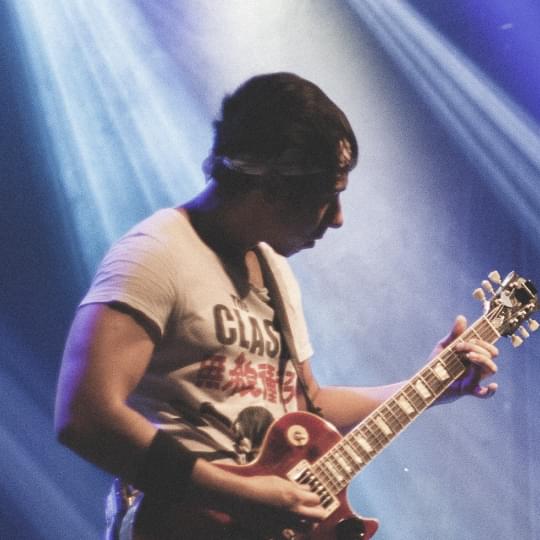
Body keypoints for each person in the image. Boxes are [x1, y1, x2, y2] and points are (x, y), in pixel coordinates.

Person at [55, 73, 499, 540]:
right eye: (327, 197)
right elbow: (85, 416)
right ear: (272, 185)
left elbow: (311, 404)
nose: (338, 218)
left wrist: (431, 384)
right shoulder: (156, 253)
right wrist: (238, 495)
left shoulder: (274, 270)